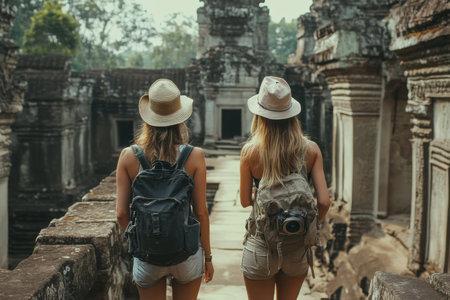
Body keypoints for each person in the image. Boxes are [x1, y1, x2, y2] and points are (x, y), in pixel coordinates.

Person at [116, 79, 214, 300]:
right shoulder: (195, 156)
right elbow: (201, 213)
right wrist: (207, 257)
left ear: (148, 118)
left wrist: (142, 240)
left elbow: (121, 214)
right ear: (180, 119)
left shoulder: (128, 156)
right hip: (186, 253)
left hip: (148, 255)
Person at [240, 76, 330, 300]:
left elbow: (243, 201)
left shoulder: (250, 152)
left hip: (261, 245)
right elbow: (324, 202)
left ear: (260, 114)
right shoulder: (310, 149)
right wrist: (309, 225)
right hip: (296, 247)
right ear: (292, 114)